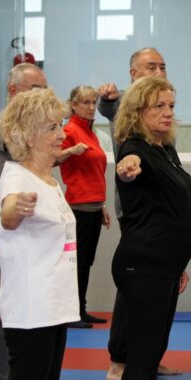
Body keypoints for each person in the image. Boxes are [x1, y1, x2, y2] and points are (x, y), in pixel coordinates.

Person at [101, 48, 187, 380]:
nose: (159, 70)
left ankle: (149, 357)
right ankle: (122, 360)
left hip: (165, 235)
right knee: (140, 296)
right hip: (141, 223)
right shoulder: (132, 123)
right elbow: (110, 109)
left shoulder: (162, 137)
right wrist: (126, 169)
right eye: (151, 66)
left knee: (160, 302)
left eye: (163, 65)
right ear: (133, 74)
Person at [0, 88, 78, 380]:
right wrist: (15, 208)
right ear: (29, 137)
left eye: (61, 124)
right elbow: (8, 212)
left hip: (55, 305)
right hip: (32, 310)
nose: (62, 134)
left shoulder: (49, 180)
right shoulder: (18, 176)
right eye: (52, 127)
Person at [0, 62, 48, 380]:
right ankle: (3, 378)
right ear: (13, 91)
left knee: (27, 304)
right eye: (36, 89)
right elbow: (32, 161)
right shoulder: (4, 126)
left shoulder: (26, 128)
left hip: (33, 224)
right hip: (13, 222)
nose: (43, 96)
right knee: (7, 305)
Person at [58, 86, 111, 328]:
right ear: (73, 105)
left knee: (86, 261)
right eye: (85, 102)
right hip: (78, 207)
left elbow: (95, 172)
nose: (91, 107)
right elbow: (50, 158)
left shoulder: (91, 133)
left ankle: (80, 308)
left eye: (94, 102)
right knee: (76, 263)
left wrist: (101, 204)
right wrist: (69, 150)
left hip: (93, 205)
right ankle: (71, 312)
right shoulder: (69, 131)